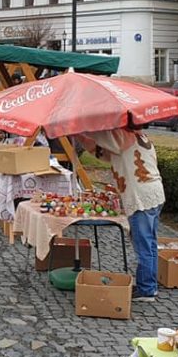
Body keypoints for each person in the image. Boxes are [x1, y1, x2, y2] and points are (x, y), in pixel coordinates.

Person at [75, 126, 165, 300]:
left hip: (141, 198)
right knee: (150, 244)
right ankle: (150, 286)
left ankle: (146, 289)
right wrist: (79, 136)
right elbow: (103, 152)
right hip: (153, 194)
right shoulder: (137, 136)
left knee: (144, 246)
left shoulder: (122, 136)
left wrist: (77, 128)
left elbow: (99, 135)